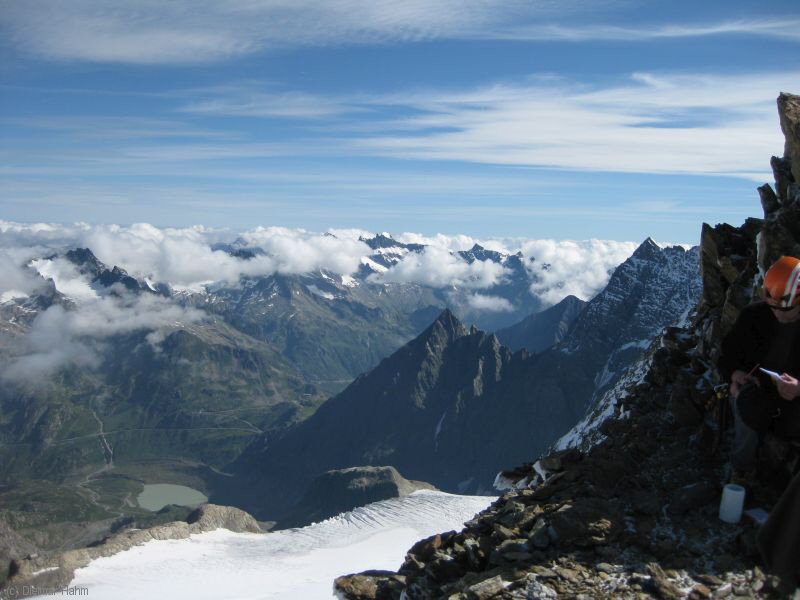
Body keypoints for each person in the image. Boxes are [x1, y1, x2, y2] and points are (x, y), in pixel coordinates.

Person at [719, 256, 800, 472]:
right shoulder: (754, 317)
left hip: (795, 404)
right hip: (758, 394)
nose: (777, 314)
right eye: (772, 307)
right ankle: (741, 471)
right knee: (747, 402)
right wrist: (734, 374)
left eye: (785, 309)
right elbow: (728, 353)